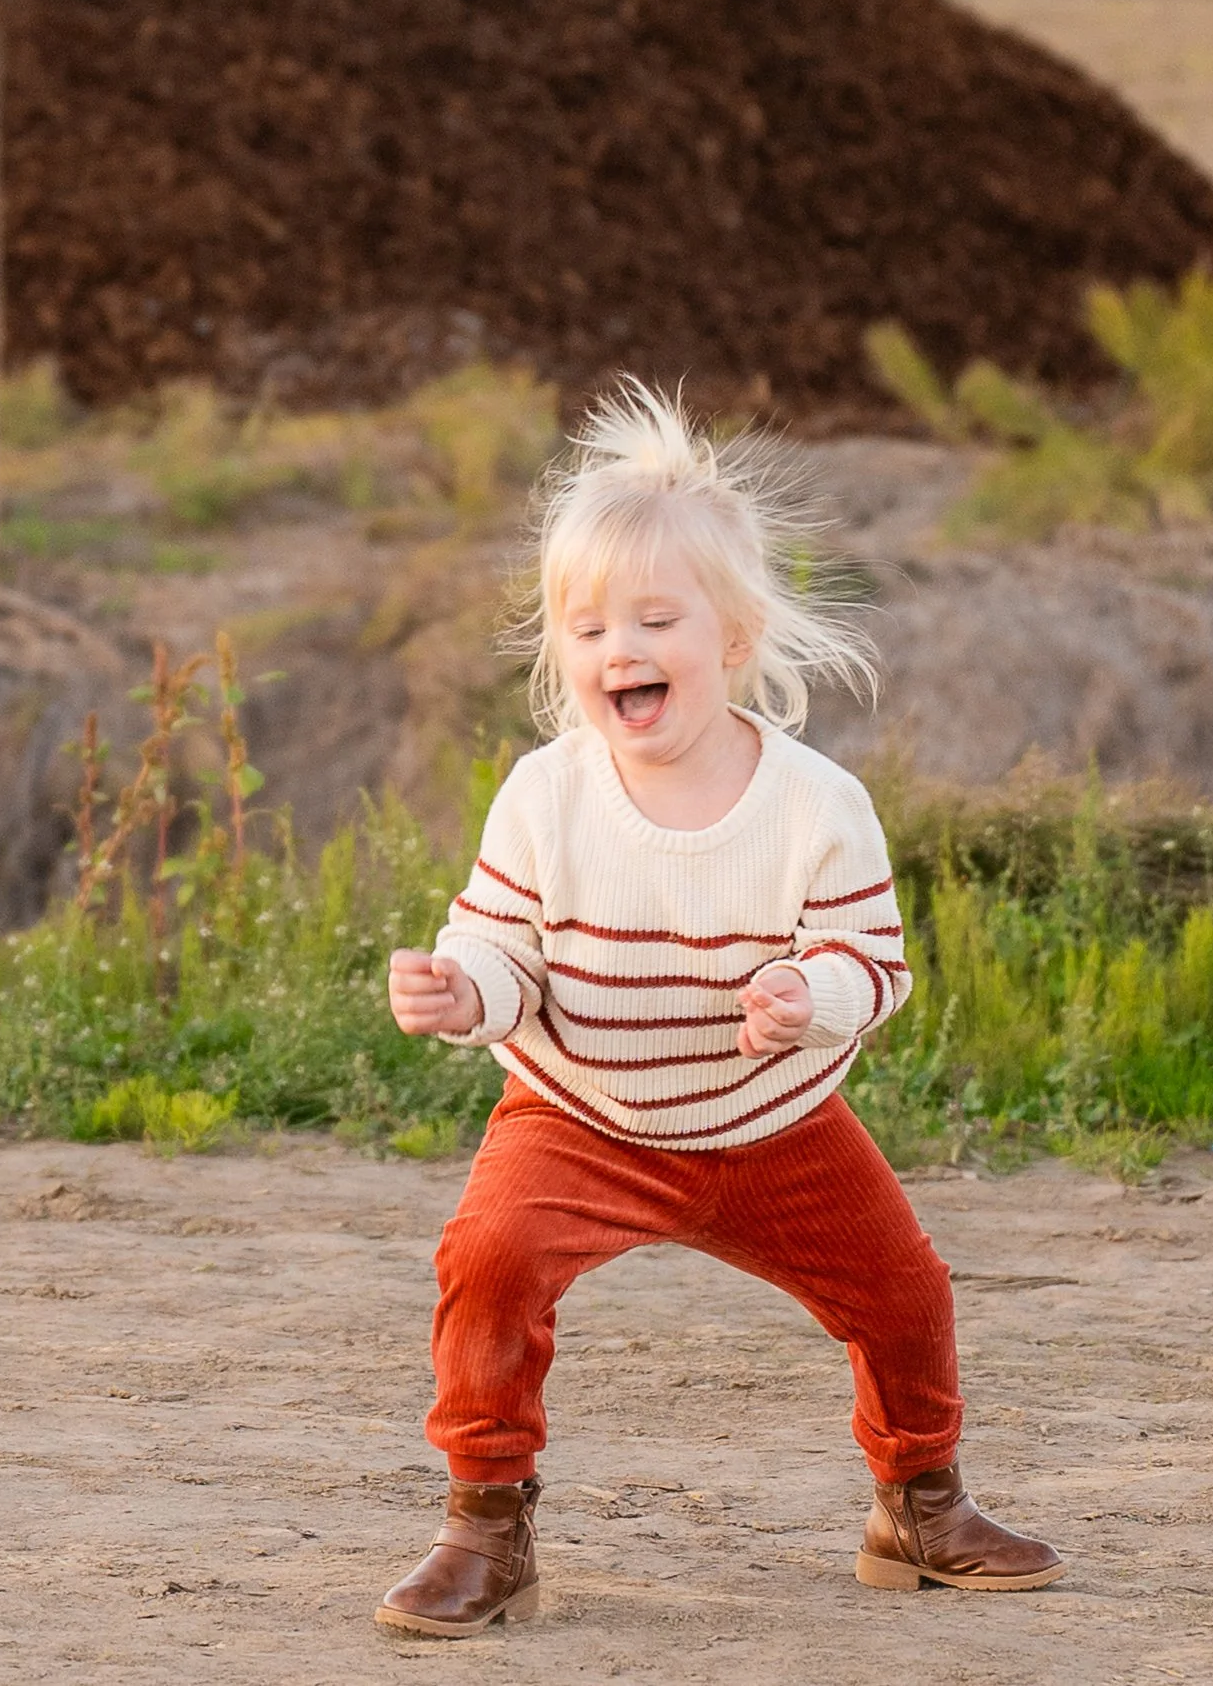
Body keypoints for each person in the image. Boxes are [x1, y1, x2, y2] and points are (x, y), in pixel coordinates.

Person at [376, 384, 1062, 1636]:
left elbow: (875, 964)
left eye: (654, 619)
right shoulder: (543, 793)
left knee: (904, 1290)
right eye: (586, 625)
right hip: (578, 1114)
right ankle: (483, 1523)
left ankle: (919, 1503)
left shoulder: (814, 800)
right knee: (486, 1262)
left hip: (771, 1120)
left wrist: (810, 993)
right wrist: (463, 986)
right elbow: (500, 943)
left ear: (733, 636)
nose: (618, 647)